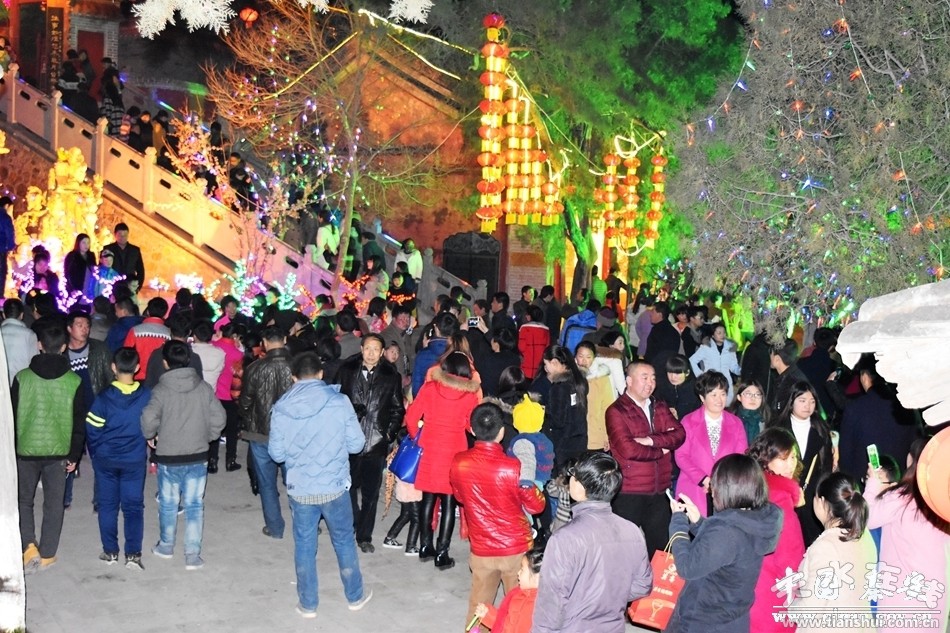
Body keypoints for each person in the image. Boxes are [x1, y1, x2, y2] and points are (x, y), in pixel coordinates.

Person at [267, 351, 373, 618]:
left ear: (293, 377)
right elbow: (357, 444)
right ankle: (355, 596)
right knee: (344, 541)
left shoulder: (281, 408)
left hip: (301, 489)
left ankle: (308, 604)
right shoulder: (340, 402)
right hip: (334, 486)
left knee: (304, 545)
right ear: (321, 374)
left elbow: (277, 454)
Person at [532, 452, 652, 633]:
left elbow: (552, 603)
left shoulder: (564, 538)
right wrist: (609, 597)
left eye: (573, 475)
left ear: (581, 487)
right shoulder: (632, 531)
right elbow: (643, 585)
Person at [450, 402, 546, 620]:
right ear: (502, 432)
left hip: (481, 546)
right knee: (518, 610)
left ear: (471, 430)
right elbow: (536, 506)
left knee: (478, 608)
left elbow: (460, 497)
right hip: (515, 549)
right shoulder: (513, 467)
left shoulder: (459, 463)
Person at [666, 454, 782, 633]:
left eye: (715, 484)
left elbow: (687, 567)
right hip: (732, 617)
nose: (711, 490)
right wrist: (698, 523)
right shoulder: (753, 520)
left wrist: (678, 521)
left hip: (704, 619)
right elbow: (727, 551)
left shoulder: (727, 531)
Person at [141, 340, 226, 570]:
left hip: (168, 456)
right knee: (195, 505)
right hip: (197, 455)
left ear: (165, 363)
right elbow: (219, 417)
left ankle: (166, 546)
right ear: (188, 360)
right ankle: (192, 555)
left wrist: (151, 435)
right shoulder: (203, 388)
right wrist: (208, 436)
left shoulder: (160, 390)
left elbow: (148, 418)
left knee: (168, 504)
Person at [16, 320, 85, 573]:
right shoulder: (74, 381)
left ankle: (28, 545)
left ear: (39, 345)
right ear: (64, 347)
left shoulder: (22, 378)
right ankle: (47, 553)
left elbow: (11, 414)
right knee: (54, 503)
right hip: (59, 450)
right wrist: (74, 455)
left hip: (25, 449)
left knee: (24, 499)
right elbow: (79, 421)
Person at [404, 352, 481, 569]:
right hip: (454, 451)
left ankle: (425, 546)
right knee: (449, 502)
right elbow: (470, 425)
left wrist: (416, 436)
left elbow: (411, 416)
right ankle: (442, 553)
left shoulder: (429, 388)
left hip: (429, 448)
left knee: (427, 499)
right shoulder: (469, 396)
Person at [866, 439, 950, 633]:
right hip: (935, 600)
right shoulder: (942, 501)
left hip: (903, 602)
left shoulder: (902, 498)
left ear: (911, 460)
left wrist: (873, 484)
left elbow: (866, 519)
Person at [605, 360, 685, 557]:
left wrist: (650, 440)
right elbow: (628, 449)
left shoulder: (659, 406)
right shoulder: (616, 410)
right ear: (629, 381)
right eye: (645, 378)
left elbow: (679, 434)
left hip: (660, 489)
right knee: (625, 550)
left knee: (661, 550)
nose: (650, 383)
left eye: (653, 379)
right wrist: (660, 451)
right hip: (629, 490)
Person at [336, 333, 405, 553]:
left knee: (371, 493)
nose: (371, 353)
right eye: (368, 348)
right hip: (349, 441)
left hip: (376, 443)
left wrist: (387, 435)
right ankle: (352, 522)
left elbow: (397, 409)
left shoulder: (390, 375)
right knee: (346, 487)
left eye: (376, 349)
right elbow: (335, 400)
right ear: (361, 349)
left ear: (382, 352)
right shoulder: (347, 371)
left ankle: (364, 536)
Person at [85, 347, 151, 570]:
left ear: (113, 367)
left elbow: (92, 429)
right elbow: (151, 423)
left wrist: (96, 452)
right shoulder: (146, 396)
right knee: (133, 507)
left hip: (106, 460)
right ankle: (133, 555)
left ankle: (110, 551)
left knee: (107, 506)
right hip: (134, 460)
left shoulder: (103, 398)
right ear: (137, 367)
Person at [788, 473, 876, 633]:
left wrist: (790, 607)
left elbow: (810, 610)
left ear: (822, 502)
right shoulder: (864, 536)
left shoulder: (826, 547)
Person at [748, 428, 806, 632]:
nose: (791, 465)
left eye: (794, 457)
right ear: (767, 459)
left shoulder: (752, 487)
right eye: (783, 458)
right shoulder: (780, 497)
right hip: (773, 585)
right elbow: (790, 553)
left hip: (749, 581)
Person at [239, 325, 294, 538]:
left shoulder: (254, 368)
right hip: (292, 434)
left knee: (267, 483)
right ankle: (304, 524)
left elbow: (245, 402)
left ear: (264, 343)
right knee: (297, 482)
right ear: (285, 339)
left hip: (261, 433)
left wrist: (248, 421)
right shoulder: (297, 366)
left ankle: (275, 527)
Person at [674, 371, 749, 517]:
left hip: (726, 489)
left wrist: (722, 481)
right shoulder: (688, 421)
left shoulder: (736, 423)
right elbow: (681, 456)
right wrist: (703, 479)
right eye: (713, 395)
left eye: (723, 394)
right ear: (702, 397)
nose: (719, 400)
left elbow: (740, 457)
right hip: (694, 487)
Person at [769, 381, 833, 546]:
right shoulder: (778, 428)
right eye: (802, 400)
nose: (807, 406)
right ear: (791, 402)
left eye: (812, 401)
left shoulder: (821, 429)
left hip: (812, 494)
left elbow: (826, 465)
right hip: (784, 492)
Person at [473, 545, 544, 633]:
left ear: (537, 578)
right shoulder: (517, 594)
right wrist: (487, 614)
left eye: (522, 570)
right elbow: (507, 623)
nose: (518, 573)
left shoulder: (537, 608)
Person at [539, 345, 588, 469]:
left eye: (546, 364)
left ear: (554, 363)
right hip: (580, 440)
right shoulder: (579, 381)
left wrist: (544, 411)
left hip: (563, 444)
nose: (545, 369)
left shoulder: (559, 388)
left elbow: (557, 421)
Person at [573, 342, 614, 451]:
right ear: (575, 357)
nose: (584, 361)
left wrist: (607, 435)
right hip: (572, 435)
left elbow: (607, 408)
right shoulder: (568, 378)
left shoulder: (601, 378)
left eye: (588, 357)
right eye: (580, 356)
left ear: (594, 358)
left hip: (595, 434)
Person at [689, 322, 741, 403]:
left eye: (724, 332)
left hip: (726, 382)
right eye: (719, 333)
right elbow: (692, 360)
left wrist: (742, 371)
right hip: (710, 383)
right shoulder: (706, 347)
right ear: (712, 335)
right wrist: (701, 376)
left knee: (726, 405)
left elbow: (733, 366)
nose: (722, 335)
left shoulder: (730, 347)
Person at [123, 297, 170, 381]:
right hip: (160, 378)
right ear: (165, 314)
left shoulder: (135, 330)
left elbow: (126, 354)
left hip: (138, 377)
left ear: (148, 311)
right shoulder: (169, 333)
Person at [653, 354, 701, 421]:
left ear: (687, 373)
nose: (673, 377)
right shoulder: (662, 386)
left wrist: (678, 414)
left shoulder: (695, 390)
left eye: (677, 373)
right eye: (670, 372)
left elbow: (696, 414)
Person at [1, 298, 38, 385]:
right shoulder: (29, 335)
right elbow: (34, 362)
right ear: (21, 315)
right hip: (21, 384)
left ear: (3, 315)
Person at [769, 339, 809, 414]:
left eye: (771, 354)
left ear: (777, 359)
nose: (769, 357)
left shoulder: (791, 382)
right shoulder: (793, 374)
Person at [104, 223, 144, 294]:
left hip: (130, 287)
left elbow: (140, 271)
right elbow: (103, 268)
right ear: (115, 234)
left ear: (128, 235)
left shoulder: (135, 250)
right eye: (120, 235)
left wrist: (137, 288)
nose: (122, 237)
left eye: (125, 235)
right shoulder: (108, 249)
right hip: (112, 287)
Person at [730, 380, 770, 446]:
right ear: (739, 397)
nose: (753, 398)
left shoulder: (767, 421)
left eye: (757, 394)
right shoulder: (731, 420)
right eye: (748, 394)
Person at [517, 305, 549, 380]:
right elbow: (547, 347)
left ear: (529, 316)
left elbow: (521, 347)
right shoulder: (546, 330)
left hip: (526, 365)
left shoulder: (524, 328)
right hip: (540, 367)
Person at [0, 196, 16, 292]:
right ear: (6, 206)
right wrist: (11, 247)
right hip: (1, 249)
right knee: (2, 272)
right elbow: (10, 234)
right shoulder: (5, 218)